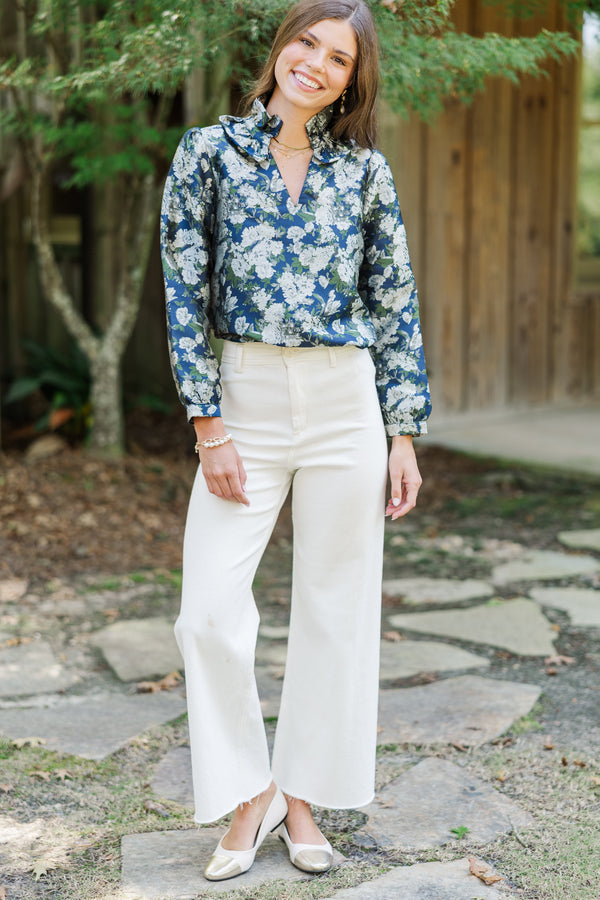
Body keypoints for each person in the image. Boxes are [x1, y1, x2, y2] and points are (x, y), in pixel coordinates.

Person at [160, 0, 430, 883]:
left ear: (353, 81)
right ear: (280, 48)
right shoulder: (207, 153)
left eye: (339, 58)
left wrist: (403, 432)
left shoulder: (365, 175)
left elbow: (394, 303)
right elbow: (183, 294)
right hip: (245, 397)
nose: (316, 63)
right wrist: (209, 423)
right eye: (306, 42)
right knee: (206, 612)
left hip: (346, 397)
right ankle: (251, 794)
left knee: (337, 605)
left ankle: (304, 797)